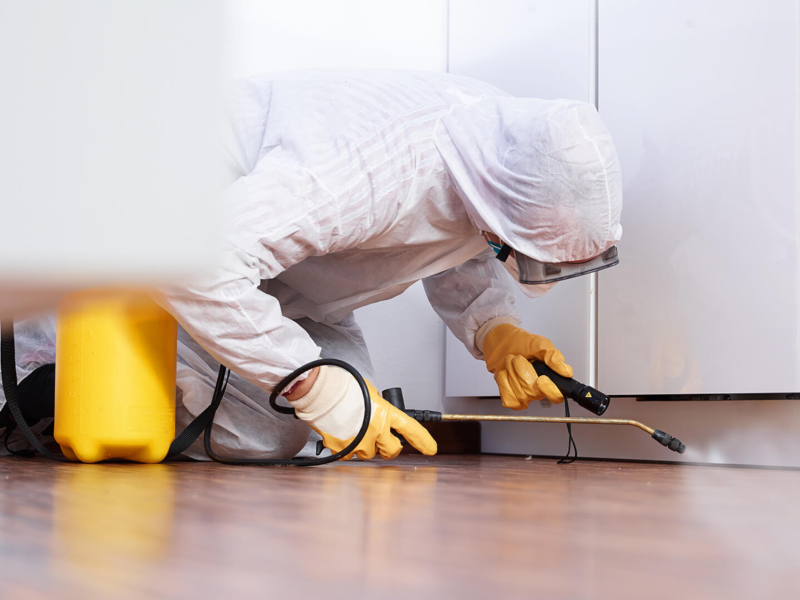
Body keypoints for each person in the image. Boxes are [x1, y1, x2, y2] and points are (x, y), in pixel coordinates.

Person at [150, 69, 623, 462]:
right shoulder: (370, 172)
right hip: (176, 230)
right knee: (275, 429)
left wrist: (496, 331)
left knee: (352, 407)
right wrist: (313, 386)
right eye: (526, 254)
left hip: (277, 271)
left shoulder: (500, 148)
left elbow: (460, 232)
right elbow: (200, 260)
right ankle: (104, 379)